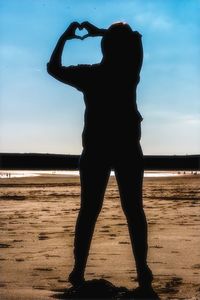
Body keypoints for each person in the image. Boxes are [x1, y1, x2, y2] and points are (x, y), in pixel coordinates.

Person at [47, 21, 153, 291]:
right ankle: (142, 272)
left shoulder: (92, 74)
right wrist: (102, 32)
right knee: (133, 211)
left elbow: (53, 68)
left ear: (105, 47)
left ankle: (78, 270)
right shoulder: (129, 71)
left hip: (97, 149)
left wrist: (65, 37)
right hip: (126, 147)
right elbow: (136, 37)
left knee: (90, 212)